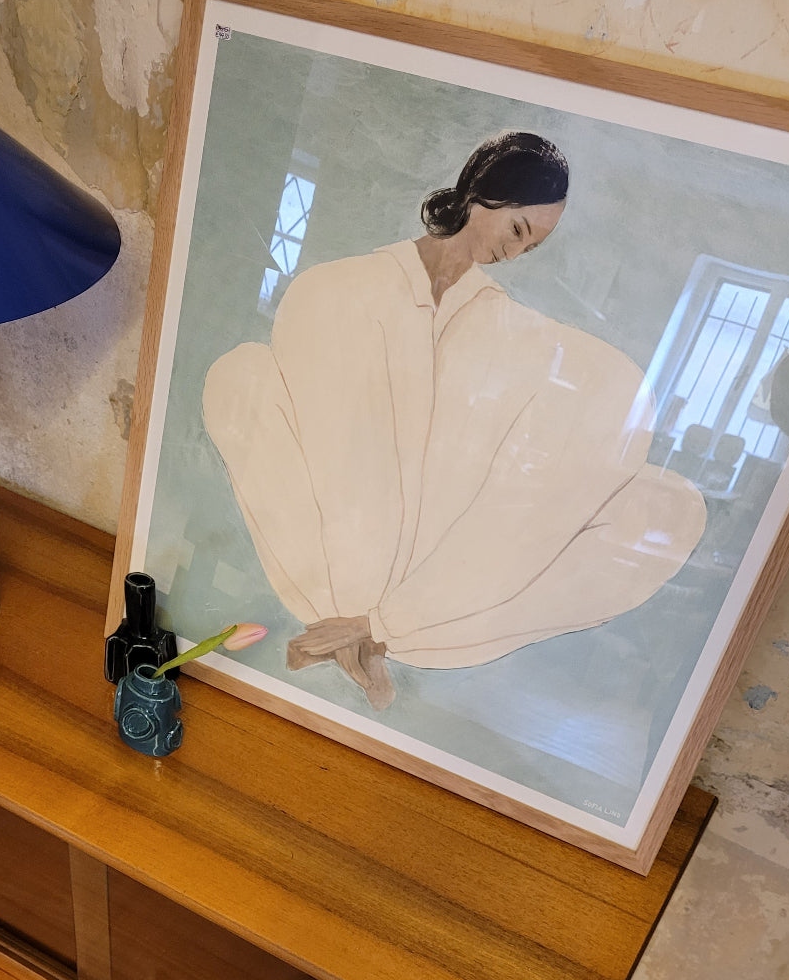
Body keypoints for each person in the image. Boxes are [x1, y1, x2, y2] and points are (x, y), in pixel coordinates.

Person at [202, 132, 707, 709]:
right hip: (338, 547)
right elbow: (336, 461)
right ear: (484, 194)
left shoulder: (501, 324)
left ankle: (373, 630)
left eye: (531, 247)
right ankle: (356, 627)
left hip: (432, 582)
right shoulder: (341, 287)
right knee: (236, 378)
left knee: (670, 508)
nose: (515, 253)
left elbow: (476, 464)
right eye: (517, 230)